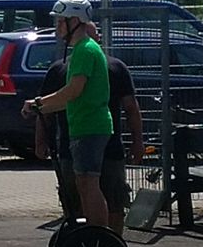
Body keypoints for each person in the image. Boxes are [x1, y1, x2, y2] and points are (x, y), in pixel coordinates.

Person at [23, 0, 118, 235]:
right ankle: (93, 235)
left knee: (88, 183)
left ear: (74, 21)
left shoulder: (86, 50)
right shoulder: (81, 51)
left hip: (90, 126)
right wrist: (41, 108)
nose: (57, 27)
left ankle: (99, 237)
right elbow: (68, 98)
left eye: (61, 21)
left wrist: (38, 103)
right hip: (83, 126)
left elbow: (73, 91)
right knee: (84, 184)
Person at [37, 42, 145, 224]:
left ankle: (110, 246)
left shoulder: (115, 68)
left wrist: (138, 141)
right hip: (71, 145)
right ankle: (87, 244)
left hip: (108, 147)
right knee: (78, 202)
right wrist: (40, 140)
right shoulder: (60, 69)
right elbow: (46, 111)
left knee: (112, 202)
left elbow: (131, 108)